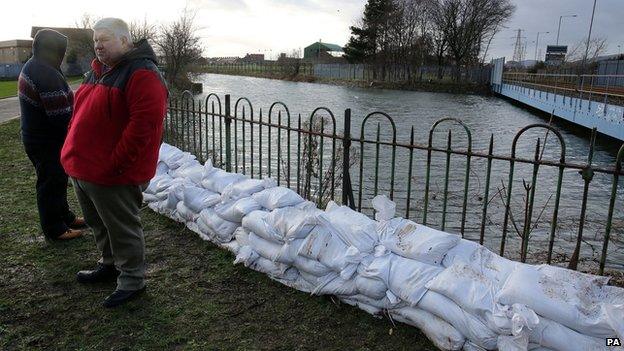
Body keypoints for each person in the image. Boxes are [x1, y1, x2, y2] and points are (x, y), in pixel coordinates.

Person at [60, 18, 168, 308]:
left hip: (112, 173)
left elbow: (143, 127)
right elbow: (81, 113)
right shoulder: (98, 72)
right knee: (98, 223)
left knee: (122, 228)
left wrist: (116, 164)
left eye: (104, 39)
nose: (98, 45)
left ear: (124, 41)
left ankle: (132, 280)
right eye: (96, 40)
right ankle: (109, 264)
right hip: (84, 168)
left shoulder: (142, 74)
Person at [18, 28, 86, 241]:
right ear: (53, 50)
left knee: (58, 179)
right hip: (45, 141)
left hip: (40, 137)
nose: (64, 55)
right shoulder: (44, 72)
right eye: (61, 50)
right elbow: (59, 117)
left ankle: (65, 217)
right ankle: (54, 228)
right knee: (50, 182)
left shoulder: (38, 65)